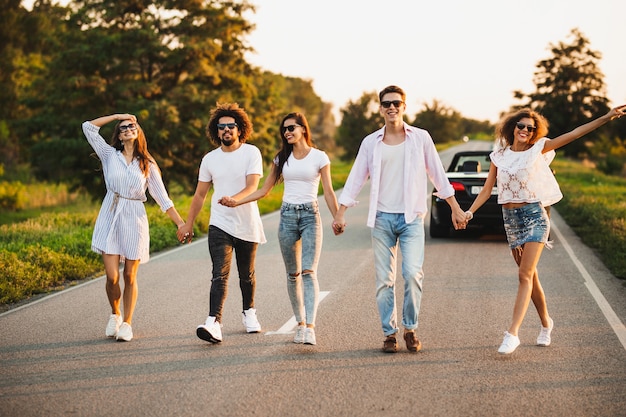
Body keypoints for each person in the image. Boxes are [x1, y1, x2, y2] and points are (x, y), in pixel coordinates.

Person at [464, 104, 626, 354]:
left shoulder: (539, 149)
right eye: (521, 126)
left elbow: (574, 134)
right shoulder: (500, 156)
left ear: (534, 132)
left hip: (534, 216)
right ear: (512, 127)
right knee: (531, 276)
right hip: (510, 219)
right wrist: (470, 212)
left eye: (530, 128)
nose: (525, 131)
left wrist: (605, 118)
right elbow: (487, 189)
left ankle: (513, 333)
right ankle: (546, 323)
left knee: (524, 275)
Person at [333, 85, 467, 353]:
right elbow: (356, 177)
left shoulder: (420, 138)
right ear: (380, 108)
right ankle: (389, 334)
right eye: (386, 103)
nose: (391, 107)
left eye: (396, 103)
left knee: (412, 274)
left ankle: (410, 328)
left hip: (411, 219)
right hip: (382, 219)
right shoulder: (371, 142)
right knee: (385, 280)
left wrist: (454, 207)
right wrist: (341, 211)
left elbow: (437, 175)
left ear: (404, 106)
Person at [219, 112, 339, 346]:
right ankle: (300, 324)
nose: (287, 132)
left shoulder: (320, 157)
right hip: (286, 217)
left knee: (308, 272)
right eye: (284, 129)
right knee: (292, 275)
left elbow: (329, 191)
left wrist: (338, 218)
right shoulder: (281, 158)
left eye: (292, 128)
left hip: (310, 216)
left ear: (303, 128)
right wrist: (236, 201)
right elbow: (263, 190)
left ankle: (310, 327)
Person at [82, 114, 186, 342]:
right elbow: (88, 127)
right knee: (112, 277)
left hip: (134, 218)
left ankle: (127, 323)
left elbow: (163, 199)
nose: (128, 129)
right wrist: (118, 116)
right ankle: (115, 314)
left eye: (132, 126)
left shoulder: (147, 164)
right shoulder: (109, 155)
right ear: (118, 136)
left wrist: (180, 223)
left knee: (129, 275)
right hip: (110, 213)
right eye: (123, 128)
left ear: (138, 132)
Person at [177, 103, 266, 344]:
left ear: (240, 129)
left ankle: (249, 312)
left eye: (231, 126)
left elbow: (252, 186)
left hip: (246, 221)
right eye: (221, 127)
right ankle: (213, 322)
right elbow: (199, 195)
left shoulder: (251, 153)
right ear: (216, 131)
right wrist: (188, 223)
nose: (226, 130)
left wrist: (235, 200)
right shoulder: (209, 159)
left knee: (246, 275)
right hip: (220, 223)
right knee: (220, 274)